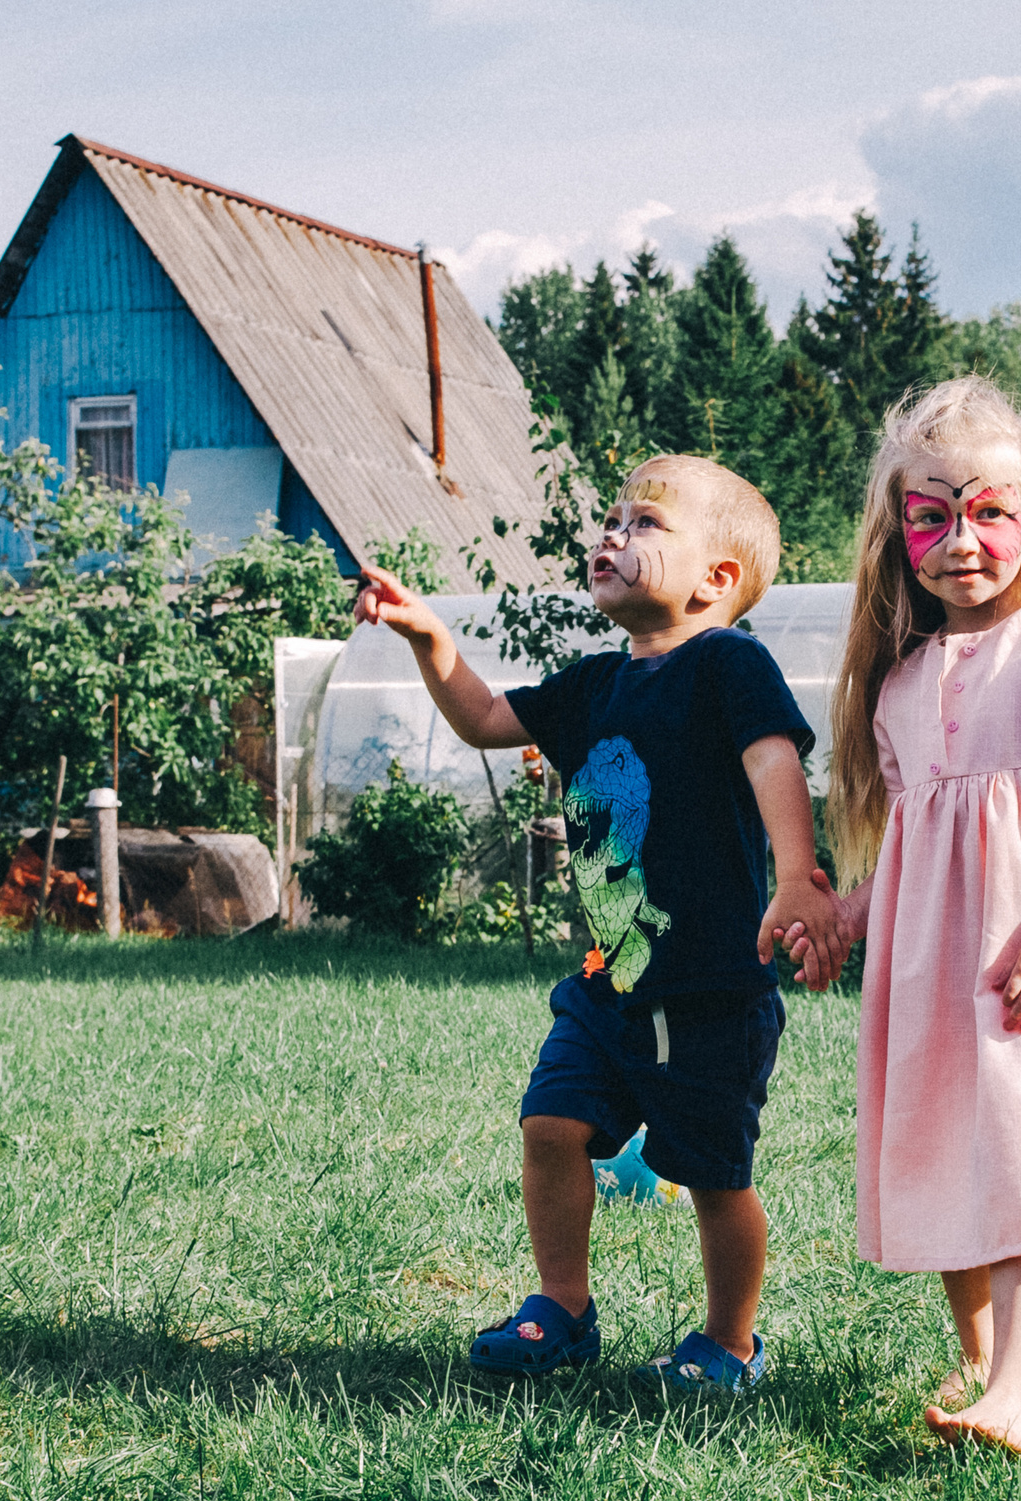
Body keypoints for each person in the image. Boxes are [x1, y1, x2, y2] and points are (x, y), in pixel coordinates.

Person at [357, 453, 846, 1392]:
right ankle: (563, 1306)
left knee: (715, 1178)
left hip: (711, 989)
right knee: (550, 1123)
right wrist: (428, 636)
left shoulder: (728, 665)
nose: (612, 532)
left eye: (645, 523)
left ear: (716, 578)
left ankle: (729, 1344)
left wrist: (795, 876)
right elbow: (484, 717)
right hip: (611, 982)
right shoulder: (590, 686)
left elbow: (773, 760)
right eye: (612, 517)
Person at [794, 376, 1021, 1459]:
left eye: (988, 512)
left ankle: (1017, 1391)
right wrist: (846, 916)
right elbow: (913, 849)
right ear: (900, 534)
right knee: (950, 1145)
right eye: (932, 516)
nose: (961, 540)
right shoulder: (902, 687)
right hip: (931, 978)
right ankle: (976, 1364)